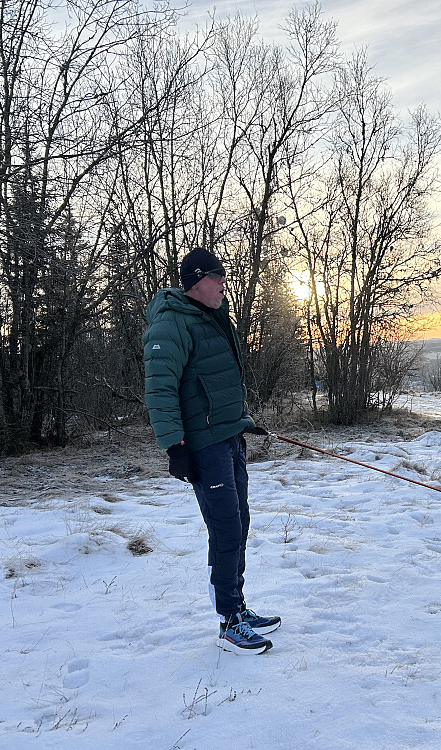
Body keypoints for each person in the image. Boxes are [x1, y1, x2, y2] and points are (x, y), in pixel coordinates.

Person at [143, 247, 280, 654]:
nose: (224, 283)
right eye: (217, 277)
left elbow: (218, 382)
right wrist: (175, 447)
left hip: (228, 438)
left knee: (239, 524)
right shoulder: (171, 324)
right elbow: (160, 390)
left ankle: (237, 606)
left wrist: (243, 420)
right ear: (196, 281)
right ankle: (229, 622)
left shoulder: (212, 318)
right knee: (224, 528)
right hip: (203, 446)